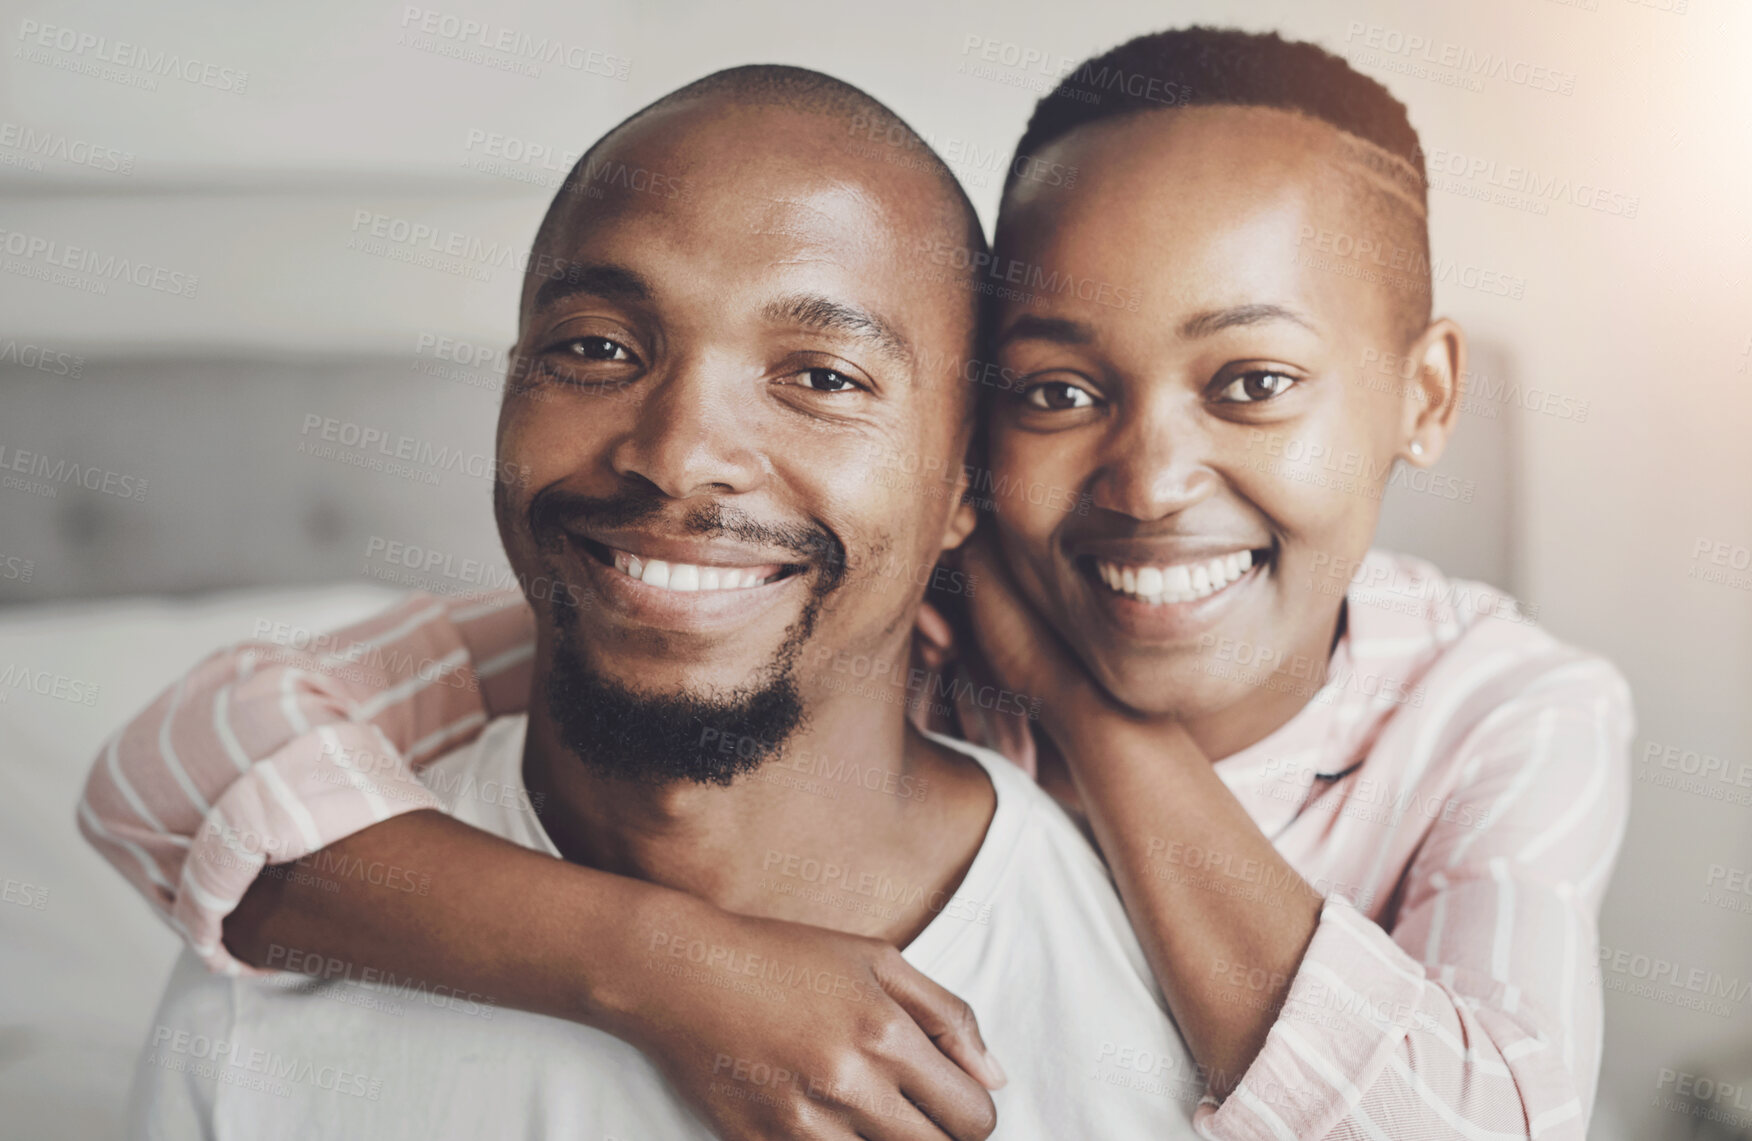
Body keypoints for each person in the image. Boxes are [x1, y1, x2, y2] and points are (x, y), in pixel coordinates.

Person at [88, 28, 1632, 1141]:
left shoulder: (1502, 716)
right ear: (979, 452)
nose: (1151, 479)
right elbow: (199, 755)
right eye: (1053, 390)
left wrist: (1088, 718)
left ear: (1424, 401)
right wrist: (674, 970)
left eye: (1253, 383)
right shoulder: (797, 625)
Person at [123, 64, 1204, 1141]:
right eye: (597, 349)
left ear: (965, 482)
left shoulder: (1146, 998)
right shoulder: (264, 981)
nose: (680, 457)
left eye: (822, 376)